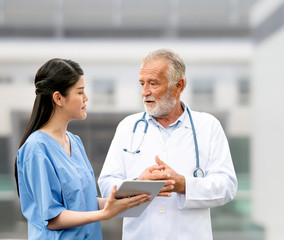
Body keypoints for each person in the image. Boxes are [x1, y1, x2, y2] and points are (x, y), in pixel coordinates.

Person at [98, 49, 238, 240]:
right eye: (142, 83)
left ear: (178, 86)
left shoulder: (208, 126)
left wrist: (183, 184)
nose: (145, 91)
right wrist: (139, 184)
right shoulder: (127, 127)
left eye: (153, 83)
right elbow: (106, 184)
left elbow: (227, 186)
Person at [14, 58, 151, 239]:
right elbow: (53, 218)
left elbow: (86, 203)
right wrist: (104, 214)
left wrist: (134, 192)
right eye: (80, 92)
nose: (86, 98)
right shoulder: (36, 149)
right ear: (58, 98)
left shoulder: (75, 142)